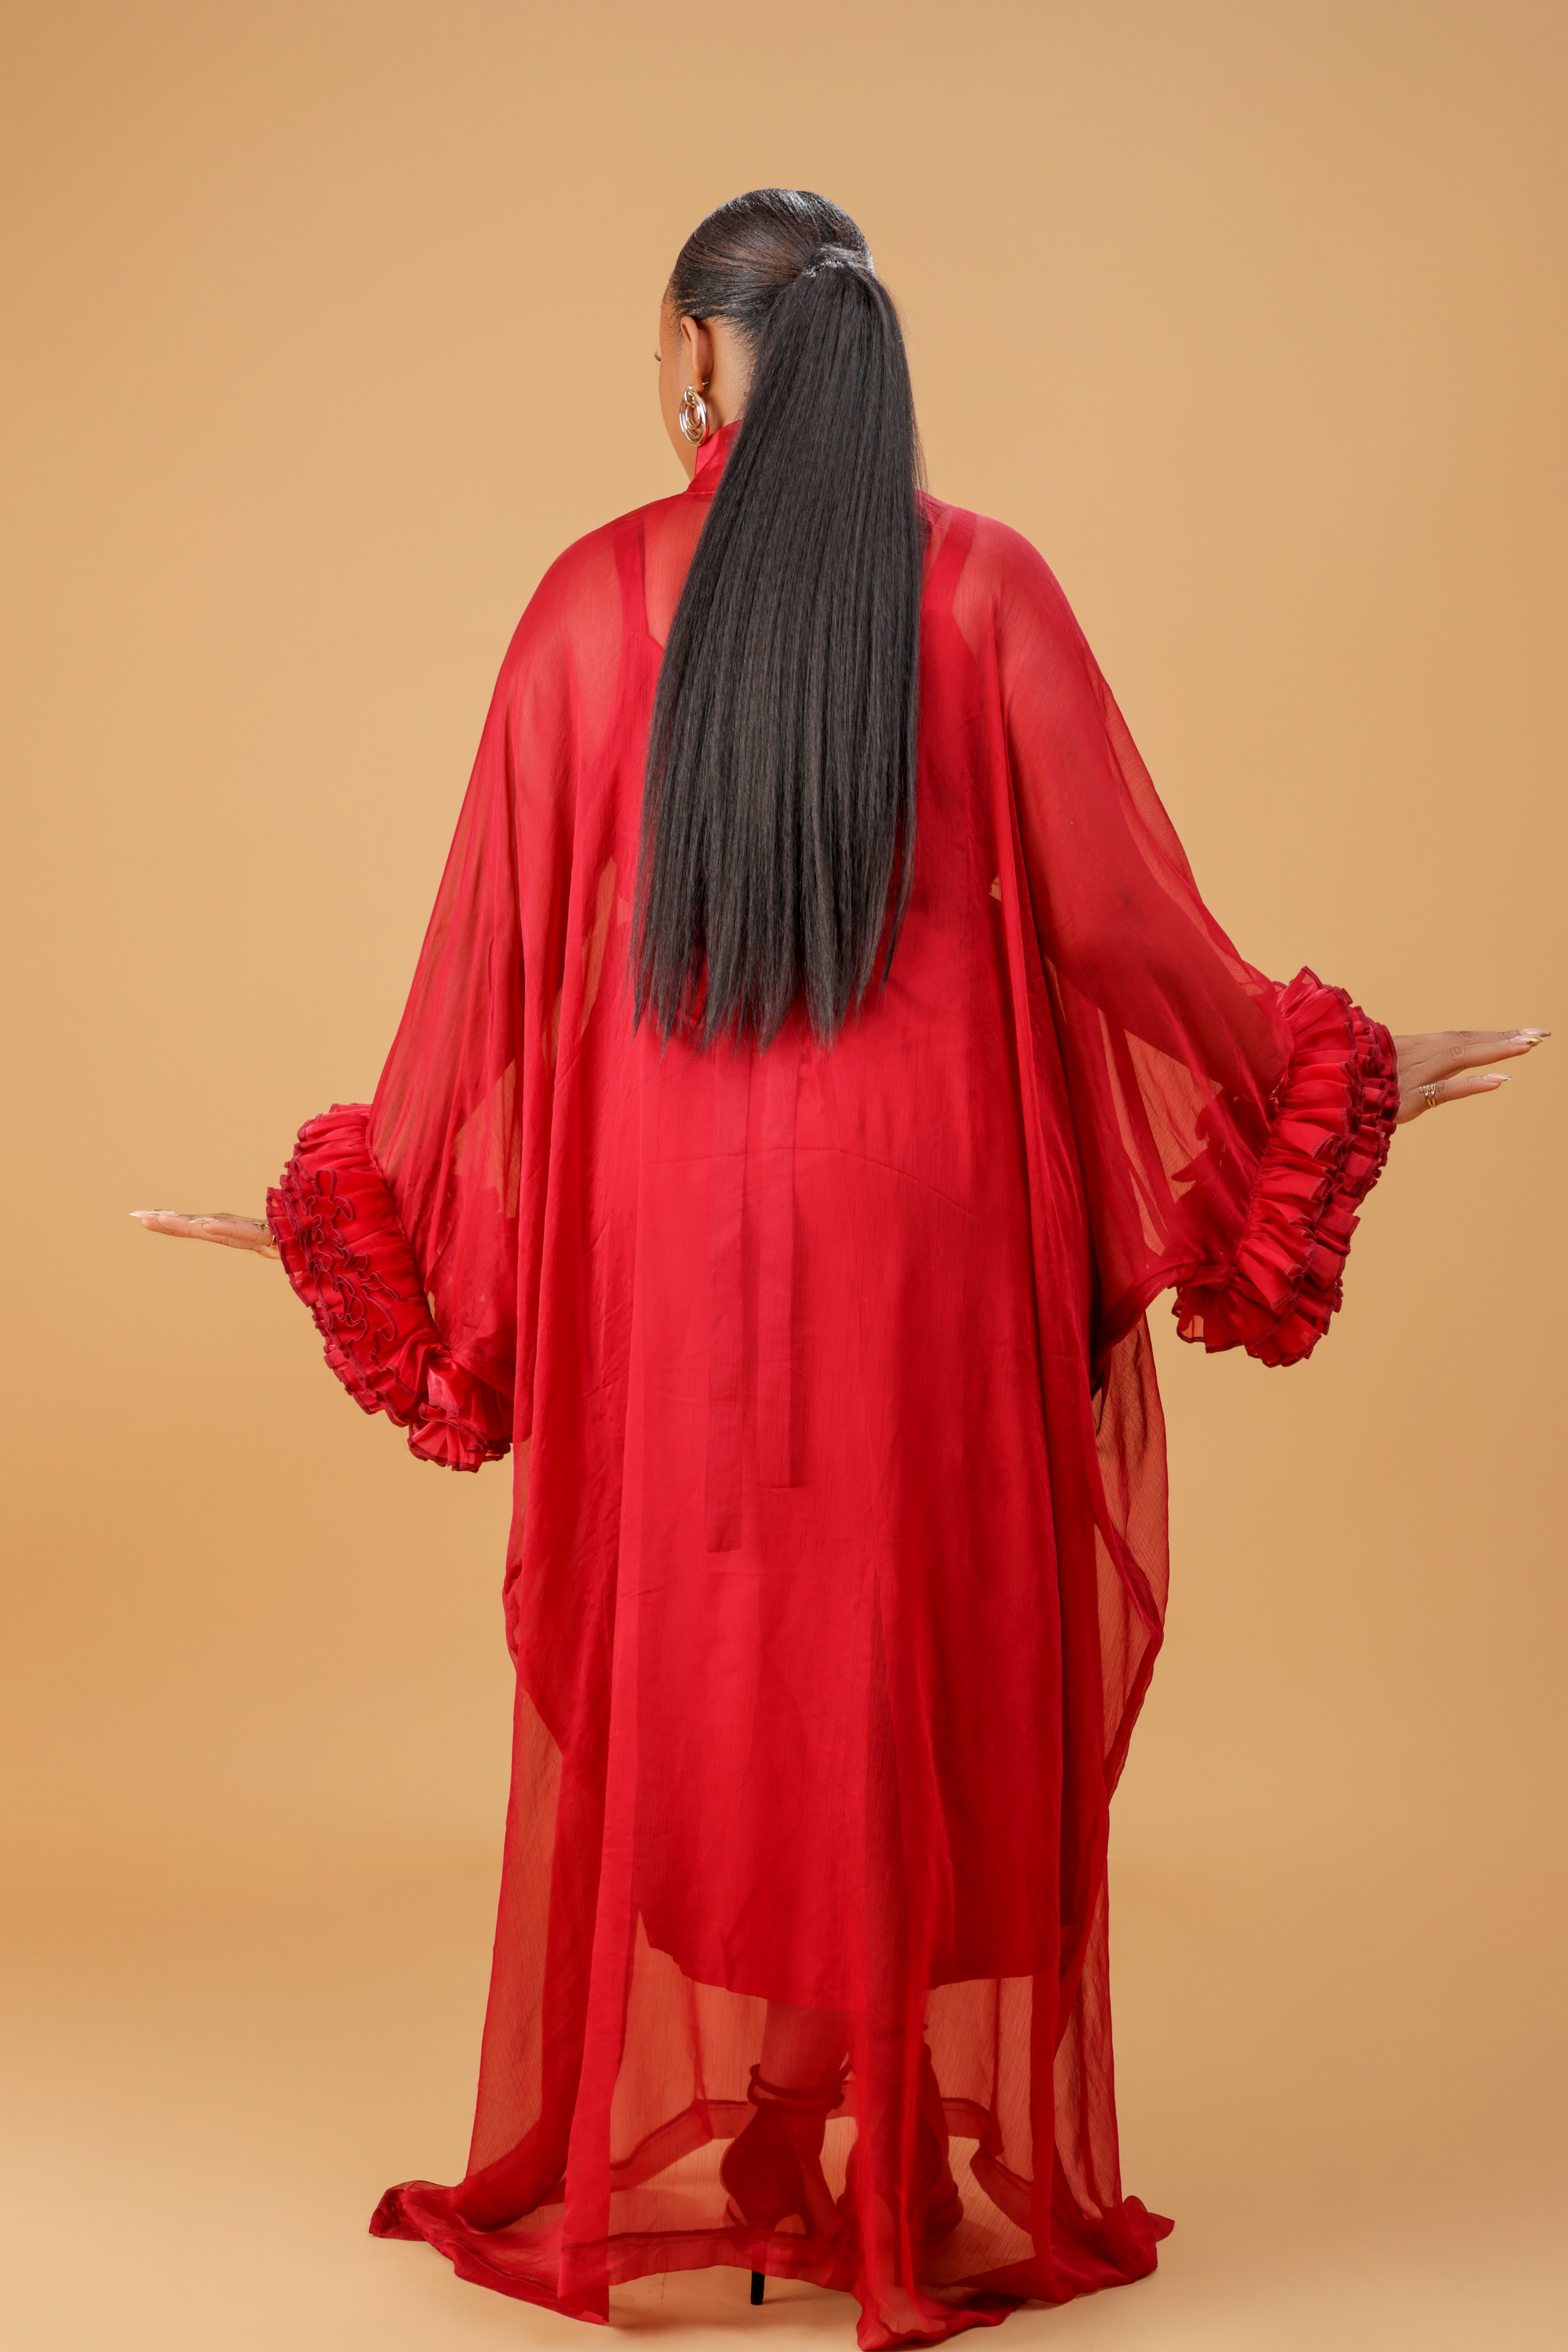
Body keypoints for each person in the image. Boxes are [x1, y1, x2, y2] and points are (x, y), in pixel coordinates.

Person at [133, 189, 1544, 2348]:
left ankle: (778, 2126)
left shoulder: (592, 609)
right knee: (910, 1630)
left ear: (695, 360)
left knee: (716, 1633)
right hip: (932, 1230)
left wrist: (380, 1218)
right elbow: (1128, 936)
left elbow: (491, 975)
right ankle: (868, 2133)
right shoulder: (982, 594)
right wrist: (1328, 1074)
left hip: (668, 1238)